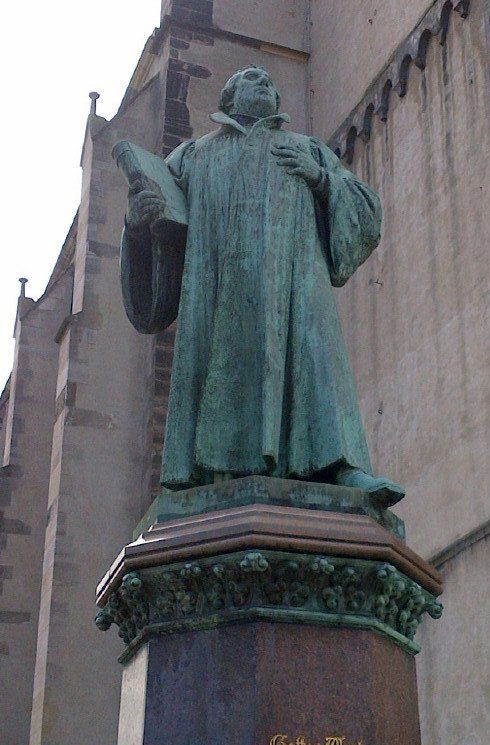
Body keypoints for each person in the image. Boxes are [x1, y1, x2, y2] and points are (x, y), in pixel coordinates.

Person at [121, 65, 404, 507]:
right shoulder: (193, 157)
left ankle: (340, 468)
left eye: (271, 82)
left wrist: (322, 178)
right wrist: (137, 225)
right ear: (228, 98)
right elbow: (163, 225)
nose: (266, 83)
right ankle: (204, 476)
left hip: (296, 292)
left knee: (315, 359)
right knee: (218, 366)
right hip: (216, 296)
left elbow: (366, 212)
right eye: (253, 79)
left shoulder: (306, 149)